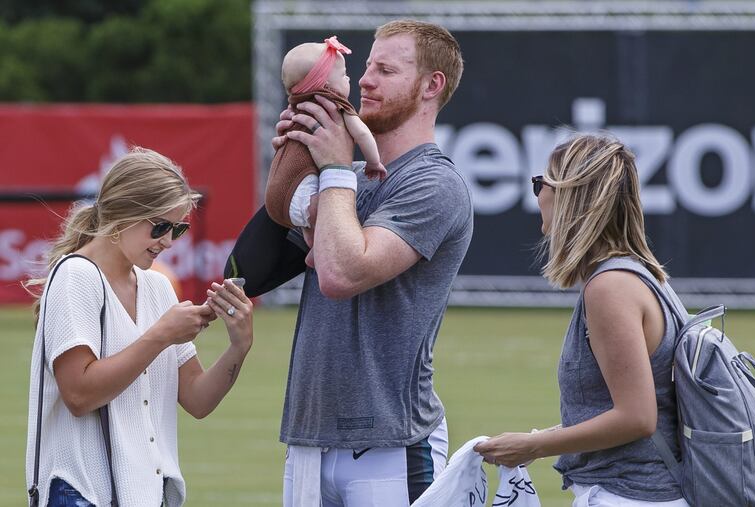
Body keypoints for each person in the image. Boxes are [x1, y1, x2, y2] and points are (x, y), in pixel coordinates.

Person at [225, 19, 472, 506]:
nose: (364, 79)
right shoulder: (339, 177)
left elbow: (341, 274)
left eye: (385, 69)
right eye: (365, 67)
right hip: (308, 435)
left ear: (431, 85)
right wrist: (289, 170)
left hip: (389, 441)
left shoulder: (435, 184)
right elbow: (244, 269)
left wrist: (336, 167)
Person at [25, 147, 254, 507]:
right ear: (122, 213)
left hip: (150, 493)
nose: (167, 240)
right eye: (160, 226)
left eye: (177, 228)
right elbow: (79, 395)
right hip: (81, 493)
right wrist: (161, 335)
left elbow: (197, 399)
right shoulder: (75, 276)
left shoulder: (158, 286)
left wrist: (238, 346)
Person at [474, 134, 689, 506]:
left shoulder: (610, 287)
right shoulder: (636, 275)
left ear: (571, 195)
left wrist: (535, 445)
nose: (538, 195)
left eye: (542, 183)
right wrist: (530, 445)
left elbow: (637, 417)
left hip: (630, 496)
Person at [266, 35, 386, 229]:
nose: (349, 78)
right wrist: (374, 162)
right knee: (334, 216)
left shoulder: (296, 106)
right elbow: (362, 134)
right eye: (343, 74)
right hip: (304, 193)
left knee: (311, 221)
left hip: (277, 193)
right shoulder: (336, 105)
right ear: (327, 86)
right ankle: (316, 244)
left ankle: (311, 241)